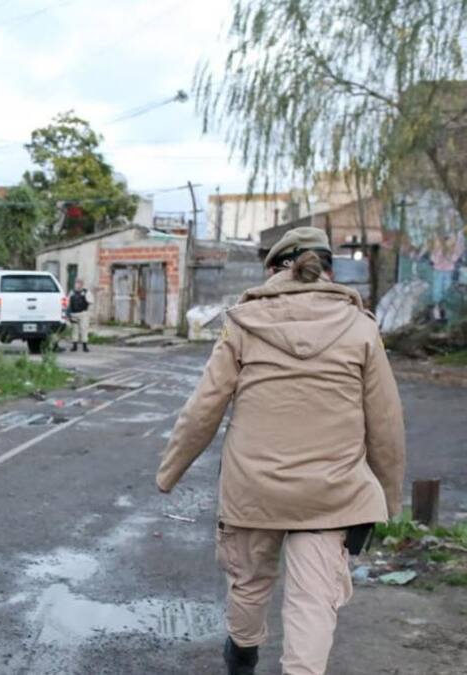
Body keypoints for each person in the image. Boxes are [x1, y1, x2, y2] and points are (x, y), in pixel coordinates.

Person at [157, 226, 406, 675]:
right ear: (328, 269)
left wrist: (170, 471)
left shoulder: (243, 325)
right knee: (314, 601)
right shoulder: (361, 328)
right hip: (332, 494)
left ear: (273, 269)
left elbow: (203, 410)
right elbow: (385, 424)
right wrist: (388, 498)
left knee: (249, 584)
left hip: (253, 490)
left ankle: (243, 656)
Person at [66, 279, 92, 352]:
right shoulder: (71, 292)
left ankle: (85, 346)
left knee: (84, 329)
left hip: (83, 313)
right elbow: (67, 302)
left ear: (82, 285)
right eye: (77, 284)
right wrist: (68, 313)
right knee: (74, 330)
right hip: (74, 313)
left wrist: (85, 298)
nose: (78, 285)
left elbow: (90, 301)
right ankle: (74, 346)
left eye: (80, 284)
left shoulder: (86, 292)